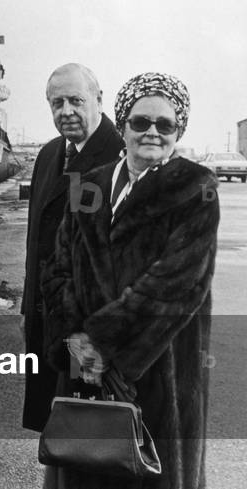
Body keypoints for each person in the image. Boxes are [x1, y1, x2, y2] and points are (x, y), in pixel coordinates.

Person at [41, 72, 219, 489]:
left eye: (166, 124)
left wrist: (103, 345)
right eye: (140, 122)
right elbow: (58, 267)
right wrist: (73, 340)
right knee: (85, 470)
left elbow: (175, 285)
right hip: (83, 367)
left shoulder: (195, 189)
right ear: (122, 125)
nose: (152, 133)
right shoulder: (88, 185)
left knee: (151, 472)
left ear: (180, 130)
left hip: (157, 369)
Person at [21, 63, 123, 432]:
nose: (66, 111)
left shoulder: (121, 155)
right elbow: (37, 239)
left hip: (88, 332)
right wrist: (29, 311)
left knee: (92, 432)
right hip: (46, 320)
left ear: (99, 99)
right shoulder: (49, 155)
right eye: (56, 102)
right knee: (56, 427)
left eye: (76, 101)